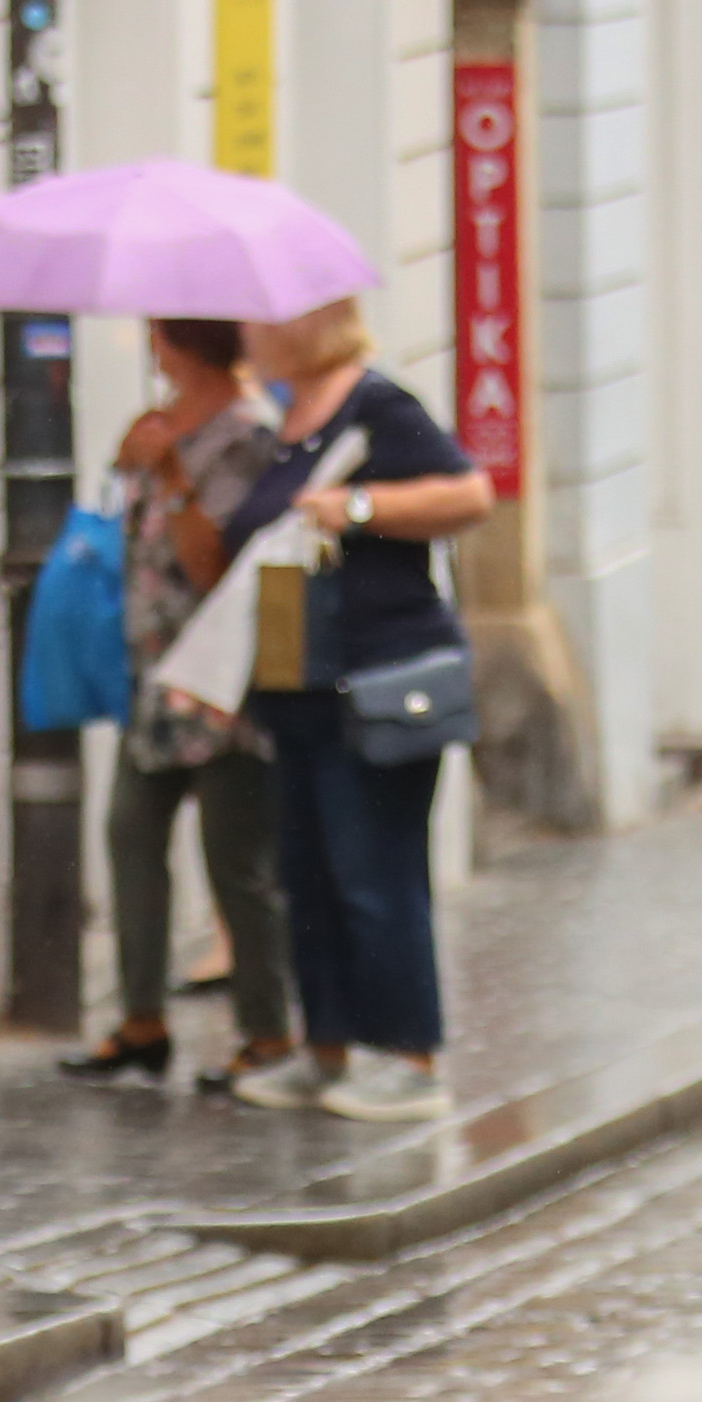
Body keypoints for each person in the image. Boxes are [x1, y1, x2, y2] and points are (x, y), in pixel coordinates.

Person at [221, 293, 496, 1124]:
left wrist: (360, 508)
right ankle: (328, 1047)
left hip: (376, 682)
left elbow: (470, 495)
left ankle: (410, 1056)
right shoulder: (284, 421)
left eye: (256, 320)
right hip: (297, 685)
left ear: (298, 325)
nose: (244, 333)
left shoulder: (379, 407)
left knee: (376, 870)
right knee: (309, 875)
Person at [60, 315, 296, 1095]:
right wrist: (134, 464)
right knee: (130, 833)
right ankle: (141, 1019)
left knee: (236, 862)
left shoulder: (249, 436)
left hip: (220, 686)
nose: (149, 347)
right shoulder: (161, 425)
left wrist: (170, 475)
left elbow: (215, 563)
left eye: (158, 333)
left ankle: (266, 1031)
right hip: (154, 682)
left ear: (185, 343)